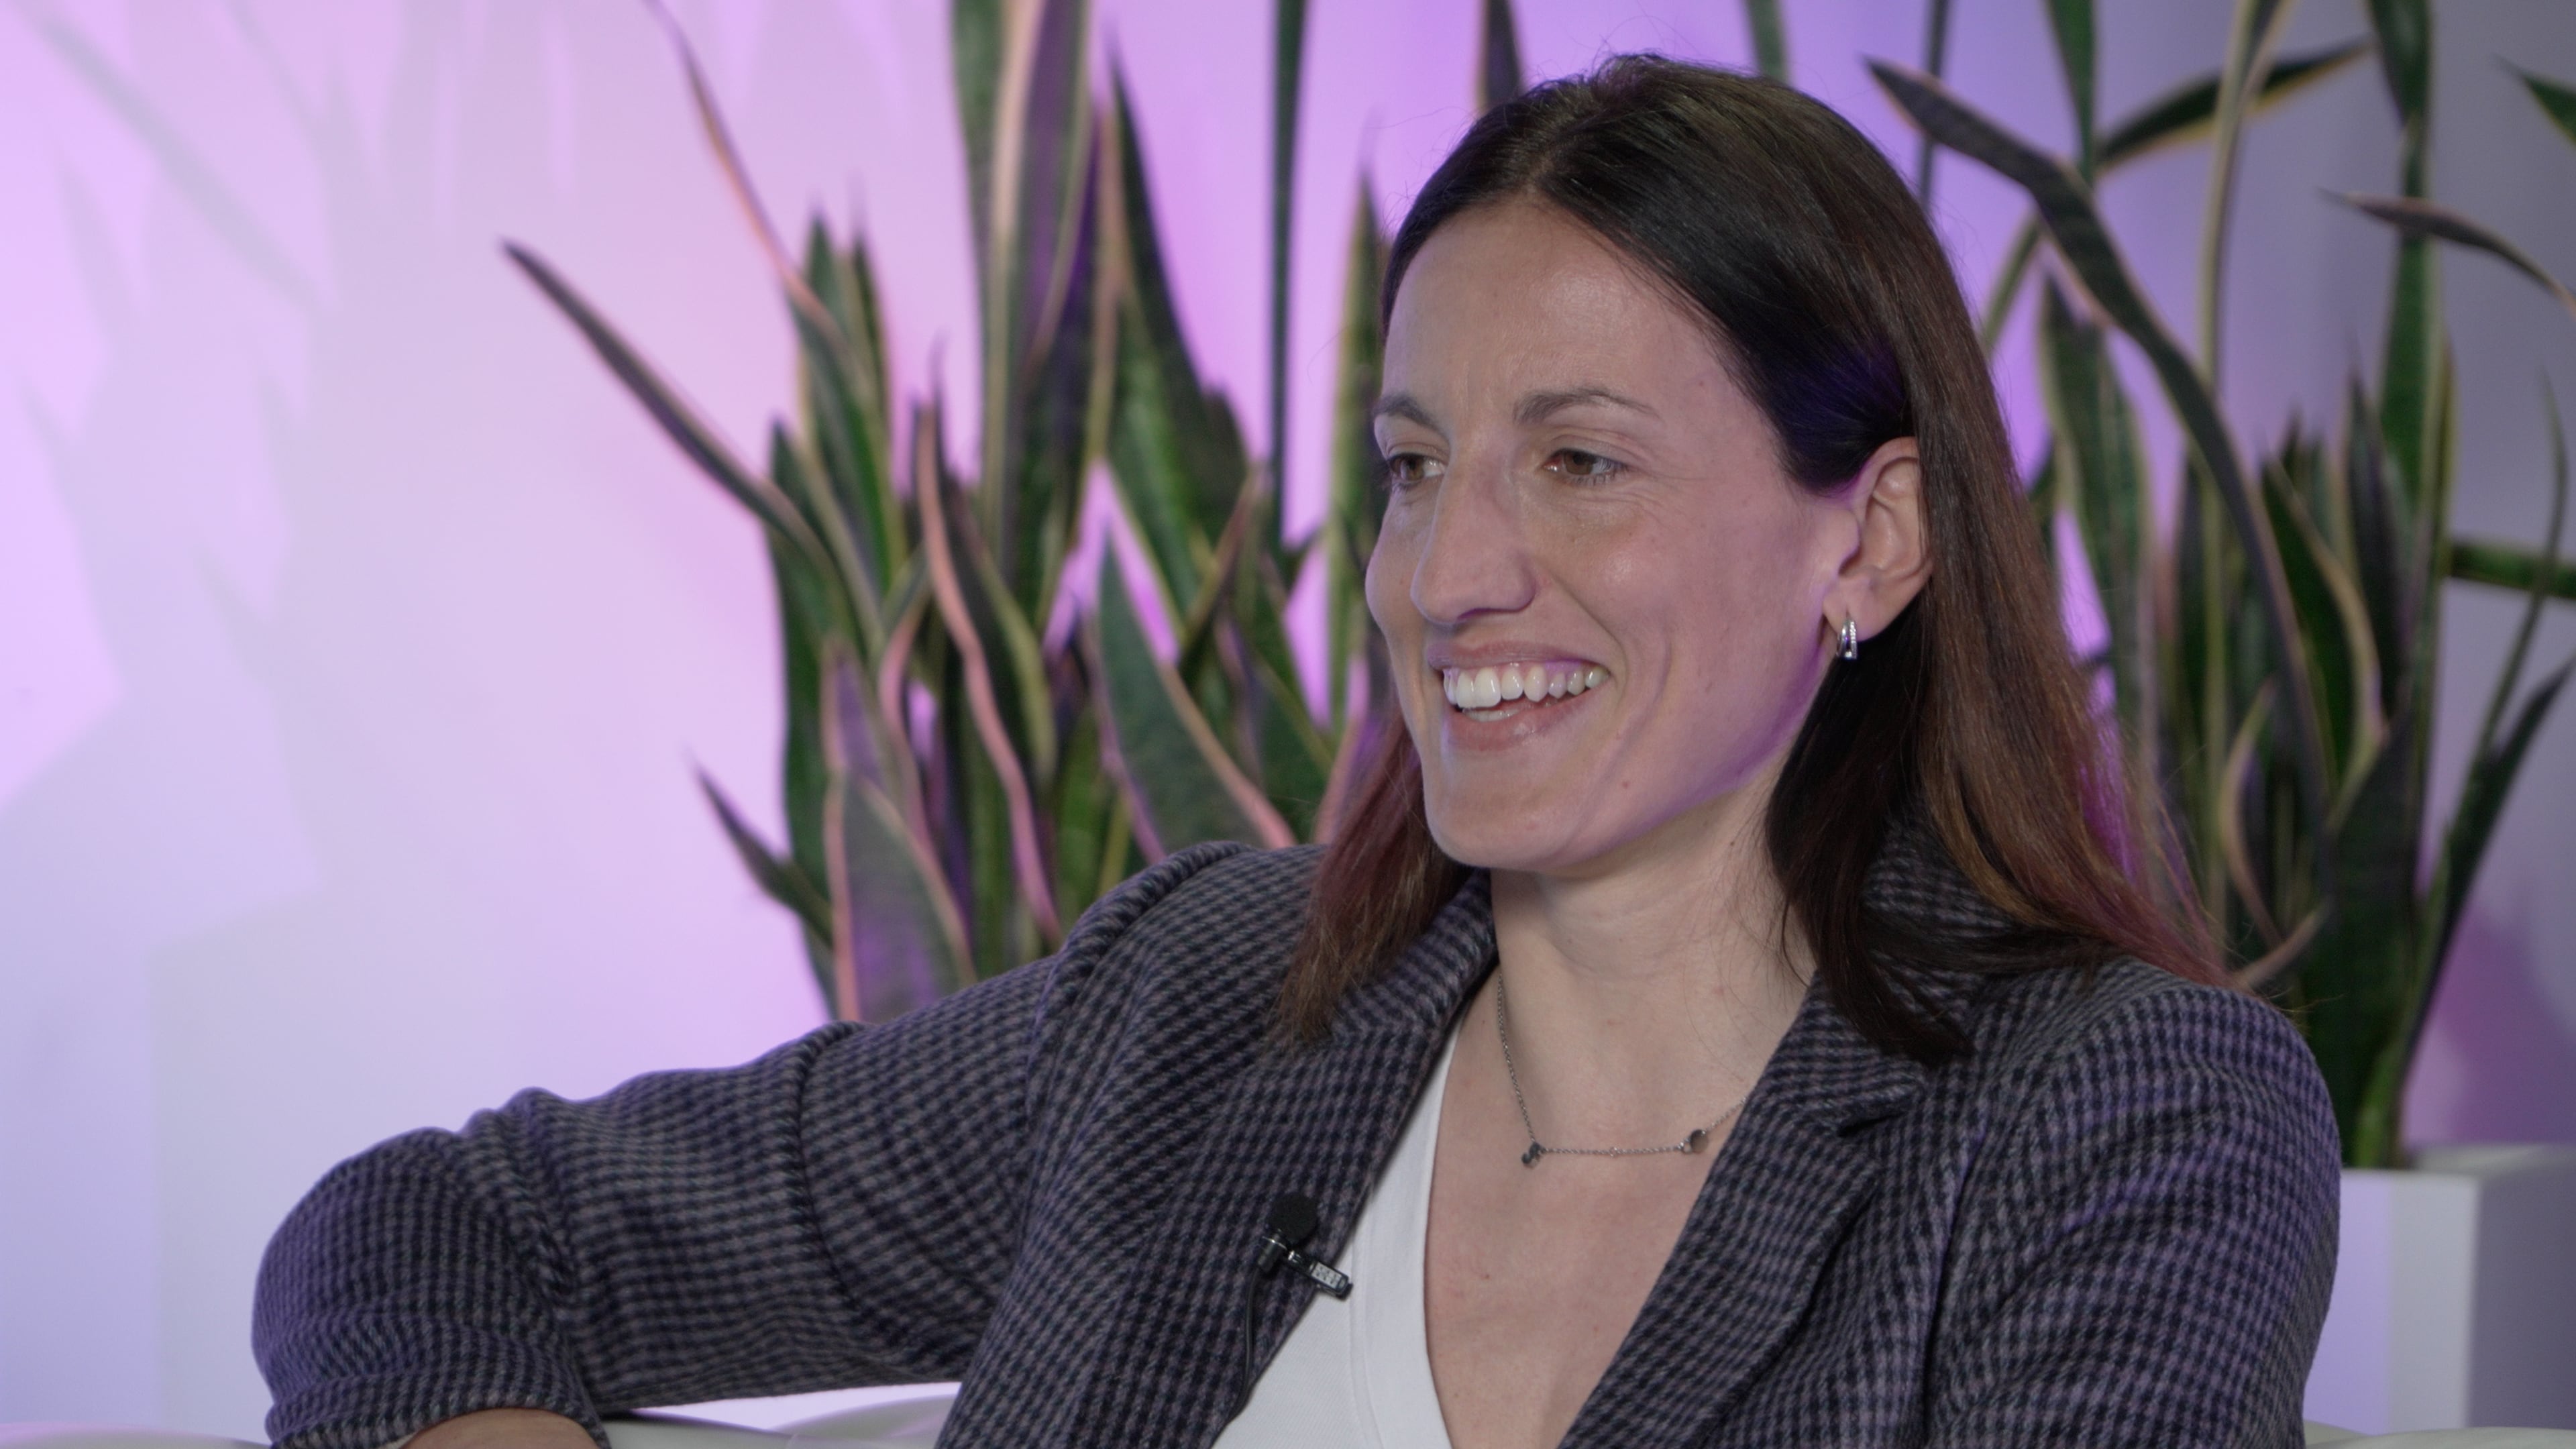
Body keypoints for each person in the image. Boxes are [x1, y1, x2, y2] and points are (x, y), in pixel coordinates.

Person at [254, 55, 2341, 1449]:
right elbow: (430, 1236)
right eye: (1416, 468)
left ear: (1868, 537)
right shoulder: (1196, 1014)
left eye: (1582, 463)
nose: (1452, 575)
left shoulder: (2128, 1122)